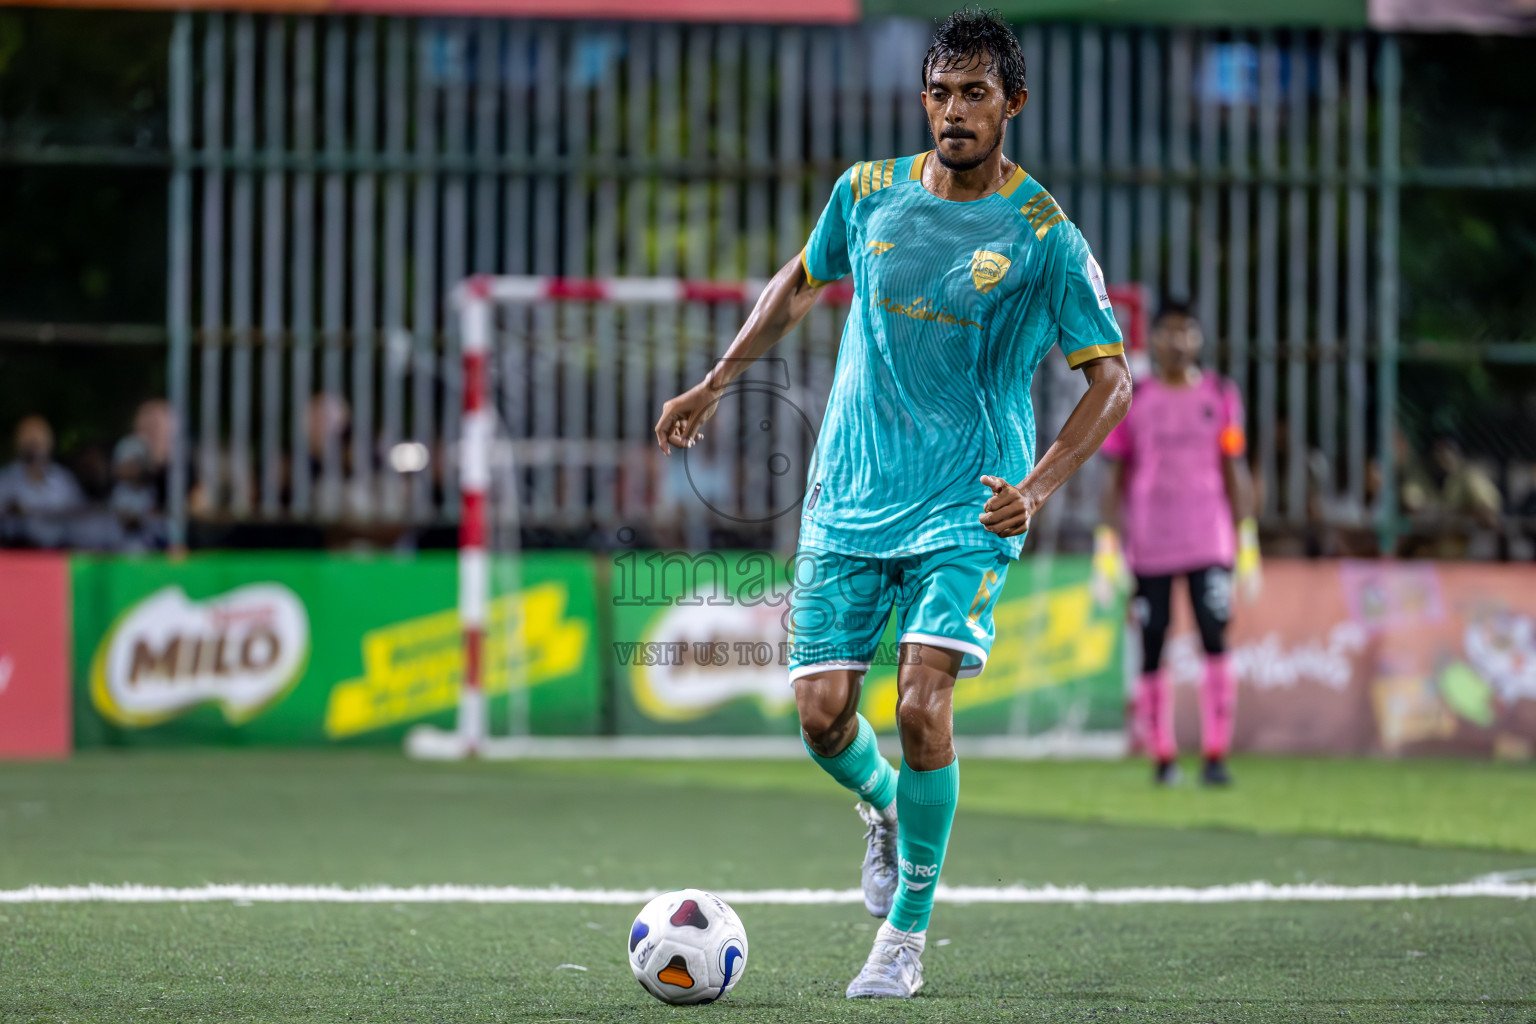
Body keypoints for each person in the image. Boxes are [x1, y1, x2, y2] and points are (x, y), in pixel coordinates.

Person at [654, 9, 1130, 1000]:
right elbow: (797, 283)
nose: (955, 111)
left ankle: (904, 935)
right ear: (925, 98)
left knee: (921, 703)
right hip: (849, 497)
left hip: (970, 499)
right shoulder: (865, 193)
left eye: (977, 95)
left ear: (1014, 105)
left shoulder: (1044, 236)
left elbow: (1113, 379)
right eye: (942, 92)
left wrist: (1038, 487)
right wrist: (714, 380)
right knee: (823, 717)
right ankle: (882, 806)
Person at [1092, 301, 1260, 787]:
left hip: (1209, 540)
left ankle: (1215, 755)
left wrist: (1247, 538)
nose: (1178, 341)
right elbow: (1116, 475)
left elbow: (1235, 468)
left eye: (1187, 331)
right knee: (1152, 644)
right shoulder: (1133, 397)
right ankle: (1163, 758)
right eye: (1168, 332)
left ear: (1199, 339)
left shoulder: (1220, 395)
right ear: (1155, 341)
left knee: (1214, 637)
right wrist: (1107, 543)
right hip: (1150, 544)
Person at [0, 415, 85, 549]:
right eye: (29, 441)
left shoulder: (64, 481)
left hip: (57, 555)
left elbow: (80, 519)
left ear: (49, 443)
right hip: (14, 555)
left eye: (38, 441)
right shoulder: (5, 479)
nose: (34, 446)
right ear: (17, 442)